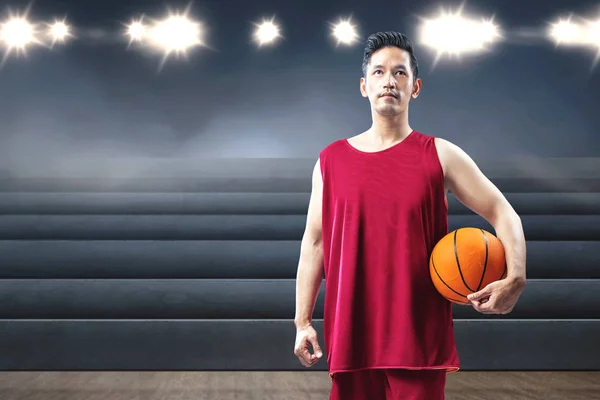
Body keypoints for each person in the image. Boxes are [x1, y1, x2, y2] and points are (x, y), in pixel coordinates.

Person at [293, 31, 527, 399]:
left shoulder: (440, 154)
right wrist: (302, 321)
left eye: (400, 73)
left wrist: (516, 276)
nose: (389, 80)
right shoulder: (329, 161)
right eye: (379, 72)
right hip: (351, 336)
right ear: (363, 86)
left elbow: (502, 211)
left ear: (415, 87)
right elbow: (315, 242)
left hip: (418, 338)